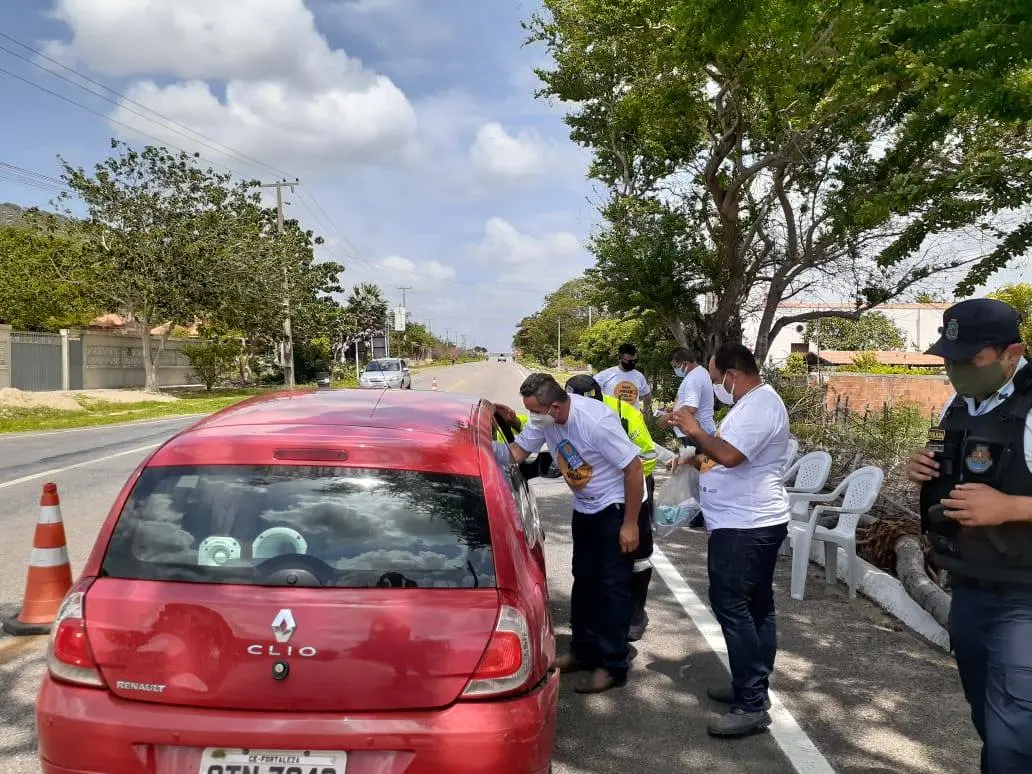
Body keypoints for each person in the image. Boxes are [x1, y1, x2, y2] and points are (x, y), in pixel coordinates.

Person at [905, 297, 1032, 774]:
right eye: (950, 359)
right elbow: (945, 462)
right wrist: (922, 467)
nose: (956, 369)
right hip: (969, 586)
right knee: (988, 722)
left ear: (1011, 353)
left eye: (970, 360)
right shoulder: (959, 402)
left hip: (1024, 595)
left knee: (1014, 740)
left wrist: (1010, 507)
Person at [671, 342, 790, 737]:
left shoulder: (760, 406)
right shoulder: (750, 404)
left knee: (733, 607)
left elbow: (732, 456)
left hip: (747, 525)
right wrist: (694, 454)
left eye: (717, 378)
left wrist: (695, 431)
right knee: (755, 605)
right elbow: (721, 452)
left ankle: (752, 703)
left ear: (733, 375)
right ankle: (751, 684)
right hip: (742, 522)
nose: (716, 386)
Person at [504, 373, 647, 693]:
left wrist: (630, 523)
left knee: (612, 588)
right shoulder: (545, 421)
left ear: (555, 407)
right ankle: (583, 650)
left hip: (616, 508)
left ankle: (612, 665)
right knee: (584, 579)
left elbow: (634, 468)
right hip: (585, 508)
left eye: (535, 411)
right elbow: (517, 453)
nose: (533, 417)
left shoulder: (594, 421)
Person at [565, 374, 657, 641]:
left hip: (633, 487)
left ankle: (636, 611)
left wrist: (621, 479)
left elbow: (647, 456)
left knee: (638, 554)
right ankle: (593, 619)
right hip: (599, 496)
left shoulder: (622, 411)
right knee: (596, 561)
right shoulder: (564, 413)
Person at [658, 347, 717, 445]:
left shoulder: (694, 378)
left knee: (697, 459)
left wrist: (669, 416)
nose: (675, 370)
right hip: (699, 432)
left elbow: (691, 407)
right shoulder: (699, 372)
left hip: (696, 434)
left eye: (675, 366)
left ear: (685, 363)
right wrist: (673, 409)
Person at [593, 343, 653, 414]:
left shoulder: (638, 376)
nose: (632, 363)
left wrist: (645, 411)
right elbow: (591, 390)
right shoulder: (606, 374)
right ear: (620, 358)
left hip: (633, 421)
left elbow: (647, 395)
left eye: (635, 361)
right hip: (611, 420)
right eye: (630, 361)